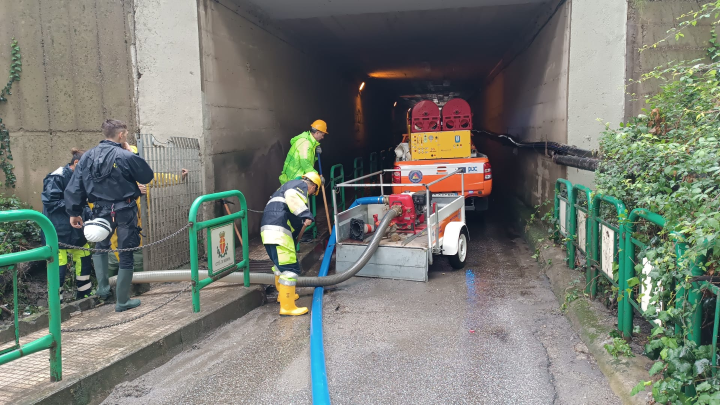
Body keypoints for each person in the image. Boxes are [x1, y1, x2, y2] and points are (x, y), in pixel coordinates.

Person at [65, 119, 154, 312]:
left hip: (99, 211)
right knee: (126, 252)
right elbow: (147, 176)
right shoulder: (125, 155)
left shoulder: (87, 157)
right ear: (121, 135)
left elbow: (75, 185)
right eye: (126, 134)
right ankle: (122, 301)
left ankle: (103, 288)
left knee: (101, 246)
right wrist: (131, 154)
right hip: (125, 210)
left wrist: (73, 212)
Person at [104, 143, 188, 295]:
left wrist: (179, 177)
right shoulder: (113, 177)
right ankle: (110, 292)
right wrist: (134, 191)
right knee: (115, 260)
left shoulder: (143, 179)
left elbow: (159, 178)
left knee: (137, 259)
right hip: (116, 229)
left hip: (137, 229)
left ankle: (139, 290)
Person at [261, 172, 322, 316]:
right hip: (279, 232)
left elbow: (288, 213)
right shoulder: (299, 186)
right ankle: (287, 307)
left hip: (269, 231)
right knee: (290, 269)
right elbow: (292, 197)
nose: (311, 194)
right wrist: (306, 214)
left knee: (280, 266)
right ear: (313, 186)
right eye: (313, 192)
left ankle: (282, 296)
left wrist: (297, 229)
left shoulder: (284, 187)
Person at [41, 148, 92, 302]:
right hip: (58, 231)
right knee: (58, 268)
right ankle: (57, 304)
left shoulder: (81, 177)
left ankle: (84, 297)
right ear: (76, 163)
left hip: (76, 230)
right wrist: (75, 205)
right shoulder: (57, 177)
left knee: (84, 260)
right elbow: (51, 202)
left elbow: (84, 202)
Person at [278, 120, 327, 185]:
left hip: (297, 178)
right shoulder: (305, 143)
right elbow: (305, 162)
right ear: (317, 133)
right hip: (294, 179)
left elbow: (308, 160)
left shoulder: (310, 142)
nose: (322, 137)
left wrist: (315, 154)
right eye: (322, 135)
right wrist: (316, 176)